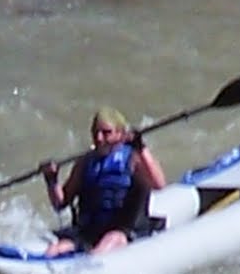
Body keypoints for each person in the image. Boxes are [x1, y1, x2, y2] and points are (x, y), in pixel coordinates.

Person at [39, 107, 166, 256]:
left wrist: (141, 148)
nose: (99, 138)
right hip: (90, 231)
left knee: (107, 243)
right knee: (55, 249)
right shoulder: (84, 163)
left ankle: (88, 266)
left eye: (106, 133)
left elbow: (159, 184)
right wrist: (51, 179)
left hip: (123, 231)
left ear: (120, 134)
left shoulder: (134, 159)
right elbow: (60, 203)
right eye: (95, 133)